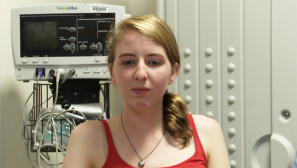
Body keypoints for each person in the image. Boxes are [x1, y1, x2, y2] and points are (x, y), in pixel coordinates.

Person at [62, 14, 230, 168]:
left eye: (154, 62)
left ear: (173, 72)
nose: (140, 74)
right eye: (128, 62)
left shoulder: (207, 132)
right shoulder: (87, 138)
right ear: (112, 73)